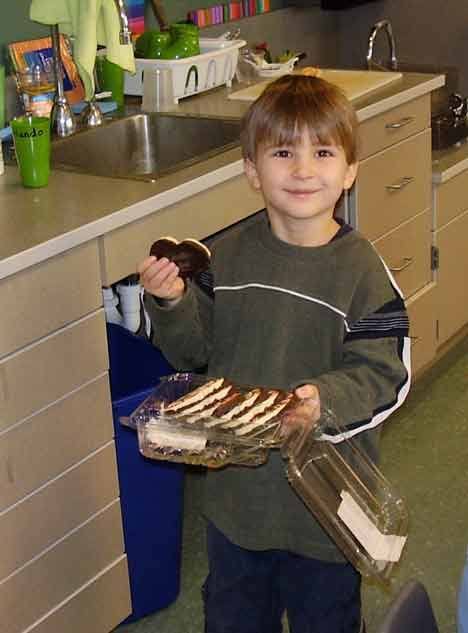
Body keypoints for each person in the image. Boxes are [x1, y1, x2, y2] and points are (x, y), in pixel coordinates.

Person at [137, 74, 411, 633]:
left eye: (323, 151)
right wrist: (172, 302)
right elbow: (193, 353)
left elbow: (387, 374)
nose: (304, 169)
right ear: (252, 172)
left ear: (350, 171)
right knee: (235, 616)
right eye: (283, 152)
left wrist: (323, 400)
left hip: (326, 504)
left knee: (326, 619)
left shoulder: (362, 273)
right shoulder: (226, 259)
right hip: (238, 503)